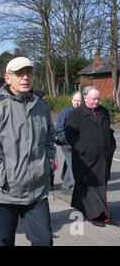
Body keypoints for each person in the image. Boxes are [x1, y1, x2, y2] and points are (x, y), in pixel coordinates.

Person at [0, 56, 56, 246]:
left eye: (28, 73)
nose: (25, 78)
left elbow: (50, 139)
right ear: (7, 78)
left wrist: (48, 165)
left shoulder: (41, 107)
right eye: (19, 74)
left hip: (36, 191)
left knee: (44, 241)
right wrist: (2, 175)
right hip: (5, 192)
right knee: (5, 241)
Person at [65, 86, 116, 227]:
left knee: (100, 183)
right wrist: (84, 149)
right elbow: (70, 135)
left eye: (98, 98)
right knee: (91, 186)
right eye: (94, 99)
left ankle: (87, 208)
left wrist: (111, 144)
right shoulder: (75, 115)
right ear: (85, 98)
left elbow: (107, 130)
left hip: (103, 157)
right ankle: (96, 215)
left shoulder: (104, 111)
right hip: (85, 160)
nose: (97, 102)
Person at [55, 91, 82, 195]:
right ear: (72, 100)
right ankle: (78, 191)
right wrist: (67, 140)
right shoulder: (65, 112)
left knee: (70, 166)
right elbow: (59, 129)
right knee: (74, 167)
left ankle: (65, 187)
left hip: (79, 145)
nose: (77, 103)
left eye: (79, 101)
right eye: (75, 100)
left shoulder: (83, 112)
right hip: (67, 145)